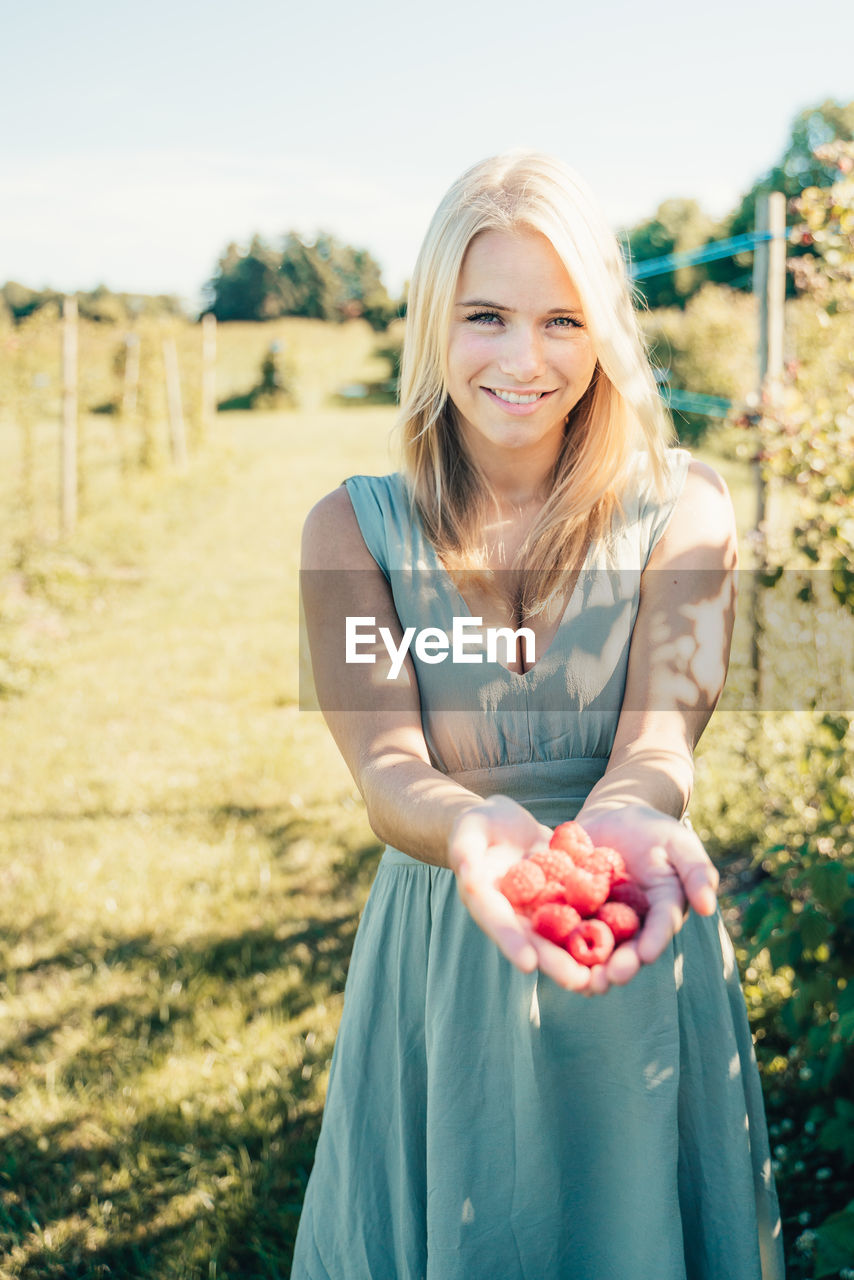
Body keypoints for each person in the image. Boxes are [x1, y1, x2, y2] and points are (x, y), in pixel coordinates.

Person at [293, 152, 784, 1279]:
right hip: (445, 955)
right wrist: (472, 828)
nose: (524, 359)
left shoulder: (685, 509)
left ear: (605, 329)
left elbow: (659, 733)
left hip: (629, 926)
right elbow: (385, 763)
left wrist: (621, 815)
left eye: (562, 319)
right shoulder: (349, 530)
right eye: (485, 316)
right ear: (432, 323)